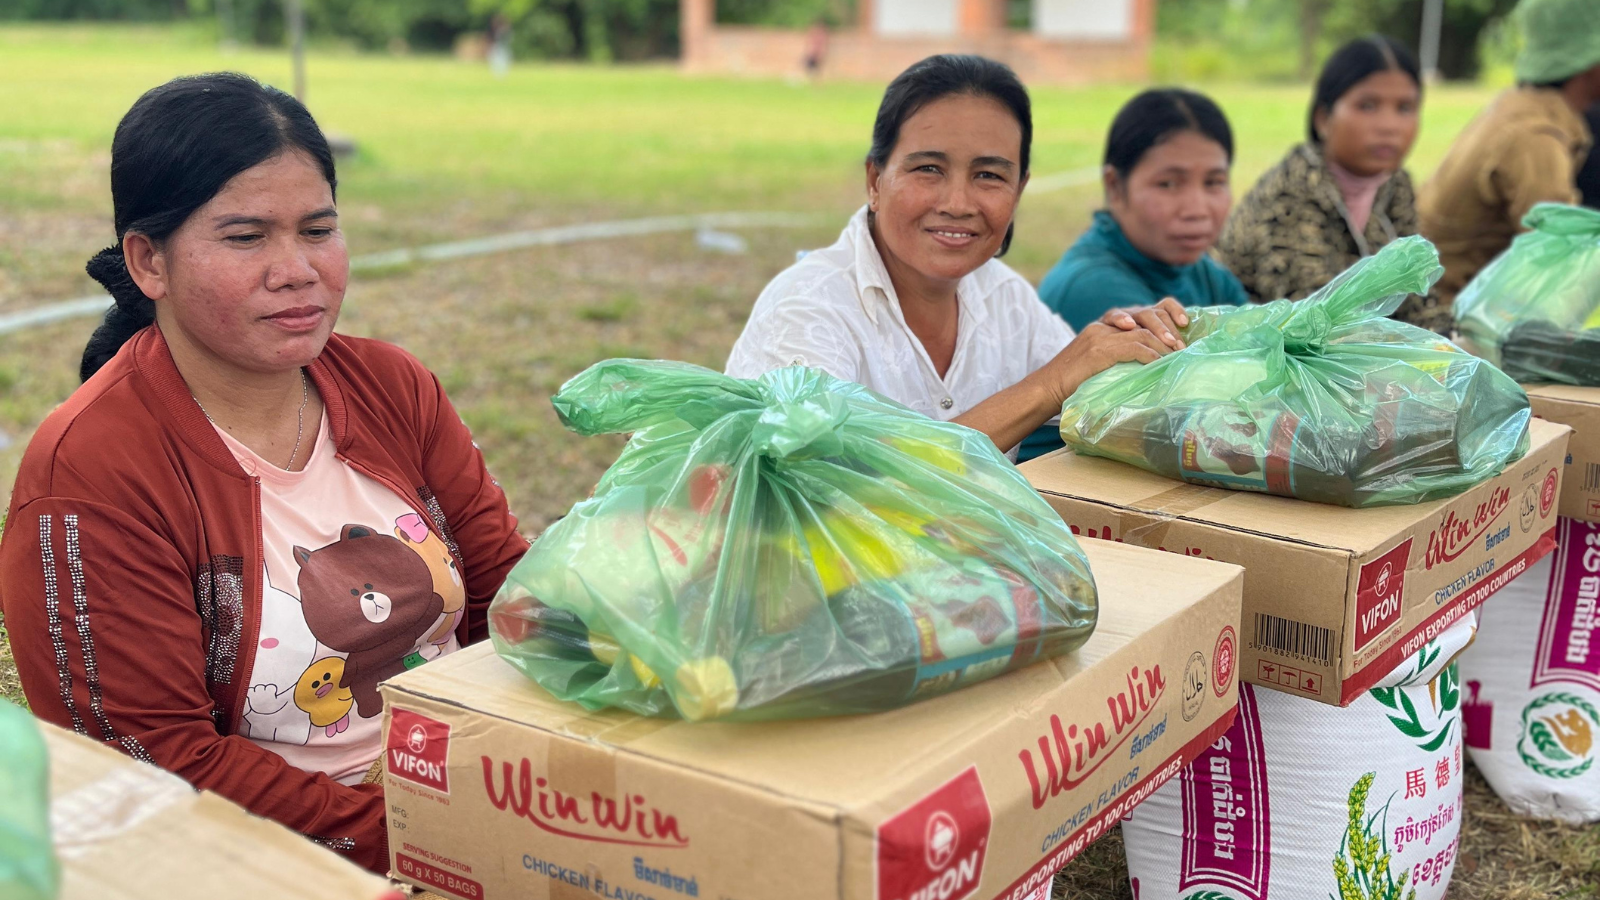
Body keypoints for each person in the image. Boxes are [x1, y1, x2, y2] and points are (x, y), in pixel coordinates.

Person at [0, 73, 528, 875]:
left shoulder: (392, 386)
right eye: (246, 238)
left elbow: (506, 601)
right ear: (148, 262)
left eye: (318, 229)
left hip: (482, 797)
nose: (297, 269)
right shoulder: (94, 471)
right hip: (277, 867)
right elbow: (159, 761)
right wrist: (435, 838)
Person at [725, 54, 1182, 460]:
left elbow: (1098, 396)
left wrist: (1135, 350)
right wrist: (1049, 383)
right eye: (928, 169)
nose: (958, 203)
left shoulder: (1004, 296)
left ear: (1019, 189)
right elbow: (839, 488)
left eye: (989, 175)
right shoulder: (805, 310)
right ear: (875, 181)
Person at [1218, 36, 1431, 326]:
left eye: (1404, 108)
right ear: (1323, 119)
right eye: (1368, 106)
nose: (1389, 126)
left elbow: (1415, 295)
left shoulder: (1395, 185)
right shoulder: (1294, 190)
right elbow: (1310, 318)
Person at [1419, 0, 1600, 311]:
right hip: (1444, 318)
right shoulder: (1537, 138)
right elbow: (1559, 268)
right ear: (1590, 64)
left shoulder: (1518, 105)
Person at [1038, 88, 1246, 333]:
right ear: (1115, 187)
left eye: (1213, 182)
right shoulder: (1095, 290)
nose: (1197, 210)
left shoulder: (1207, 276)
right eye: (1168, 184)